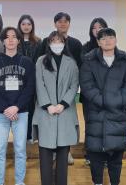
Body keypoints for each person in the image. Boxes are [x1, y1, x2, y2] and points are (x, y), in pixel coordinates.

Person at [80, 28, 126, 185]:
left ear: (116, 40)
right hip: (96, 112)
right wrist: (105, 101)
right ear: (98, 42)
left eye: (110, 37)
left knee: (116, 158)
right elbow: (87, 86)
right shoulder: (89, 60)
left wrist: (116, 102)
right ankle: (97, 182)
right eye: (103, 39)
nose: (107, 41)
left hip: (118, 113)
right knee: (95, 157)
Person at [0, 27, 35, 185]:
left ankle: (19, 182)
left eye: (14, 37)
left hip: (21, 113)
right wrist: (6, 108)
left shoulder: (27, 62)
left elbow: (30, 88)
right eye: (7, 37)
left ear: (19, 40)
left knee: (20, 150)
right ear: (2, 41)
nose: (11, 40)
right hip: (1, 113)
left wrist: (16, 107)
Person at [33, 31, 79, 185]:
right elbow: (39, 84)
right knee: (45, 153)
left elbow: (74, 85)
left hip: (65, 112)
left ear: (64, 43)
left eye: (60, 41)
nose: (57, 44)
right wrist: (48, 105)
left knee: (62, 154)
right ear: (48, 43)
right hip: (45, 112)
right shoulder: (41, 61)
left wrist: (63, 104)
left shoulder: (71, 62)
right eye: (53, 41)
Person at [37, 12, 82, 165]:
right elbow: (39, 80)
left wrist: (63, 103)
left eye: (65, 21)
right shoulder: (42, 55)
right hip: (48, 98)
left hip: (65, 96)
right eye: (59, 21)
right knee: (48, 134)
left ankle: (65, 153)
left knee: (64, 131)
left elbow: (74, 81)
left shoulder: (75, 45)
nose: (62, 24)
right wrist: (48, 104)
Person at [80, 17, 108, 165]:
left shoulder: (111, 47)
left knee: (105, 125)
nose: (97, 30)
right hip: (89, 96)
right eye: (94, 28)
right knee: (91, 125)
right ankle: (90, 155)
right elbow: (85, 71)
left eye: (100, 27)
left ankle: (105, 155)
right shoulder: (85, 48)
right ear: (91, 31)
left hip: (107, 95)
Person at [17, 14, 42, 142]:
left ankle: (32, 135)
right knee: (21, 108)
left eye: (29, 24)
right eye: (23, 24)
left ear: (32, 26)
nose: (26, 27)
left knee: (33, 108)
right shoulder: (15, 41)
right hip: (19, 81)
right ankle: (23, 136)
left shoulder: (39, 42)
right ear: (19, 26)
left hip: (34, 79)